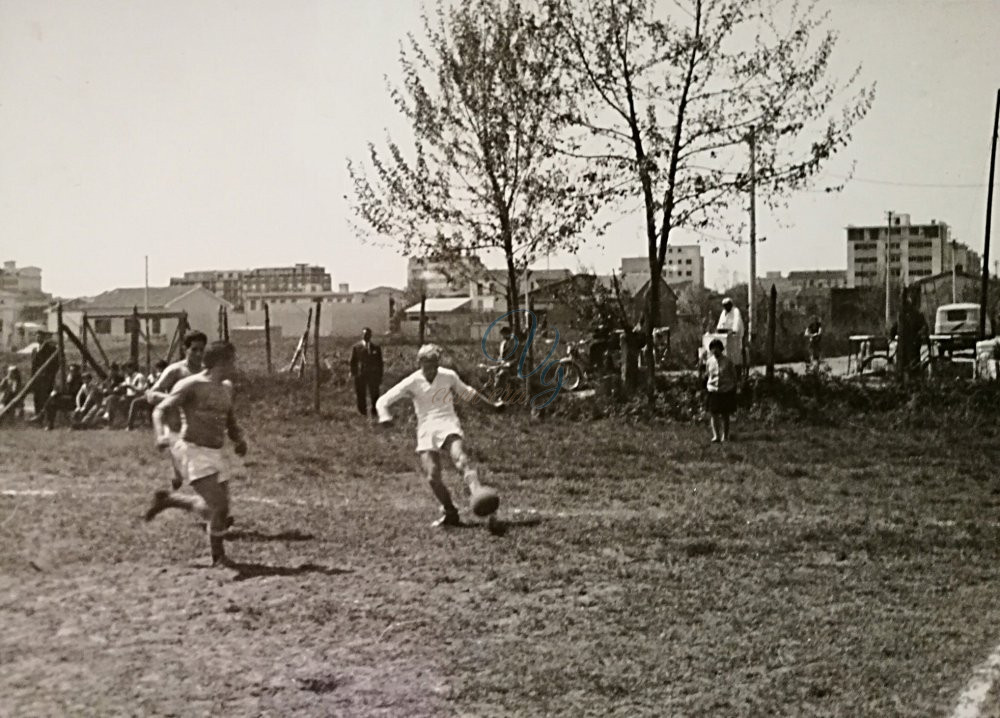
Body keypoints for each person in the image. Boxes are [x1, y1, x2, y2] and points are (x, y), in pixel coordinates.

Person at [375, 343, 503, 527]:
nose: (432, 367)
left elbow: (468, 394)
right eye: (427, 363)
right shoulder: (412, 381)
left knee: (461, 459)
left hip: (447, 422)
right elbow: (383, 400)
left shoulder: (448, 376)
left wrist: (492, 406)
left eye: (435, 362)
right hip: (426, 428)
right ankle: (450, 512)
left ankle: (477, 492)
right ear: (419, 362)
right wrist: (384, 415)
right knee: (433, 477)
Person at [144, 341, 248, 567]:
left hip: (216, 452)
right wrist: (160, 435)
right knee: (218, 506)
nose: (235, 365)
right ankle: (218, 557)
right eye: (233, 360)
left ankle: (170, 500)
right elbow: (160, 409)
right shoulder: (191, 384)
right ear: (222, 362)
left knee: (217, 508)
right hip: (193, 450)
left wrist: (238, 439)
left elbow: (229, 418)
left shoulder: (227, 387)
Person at [147, 332, 208, 489]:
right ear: (185, 349)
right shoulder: (176, 370)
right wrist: (177, 399)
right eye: (194, 349)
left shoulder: (206, 372)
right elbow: (151, 395)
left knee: (202, 474)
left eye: (201, 350)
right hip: (175, 429)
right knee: (190, 475)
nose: (198, 354)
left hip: (199, 431)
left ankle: (177, 478)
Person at [705, 338, 738, 443]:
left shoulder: (728, 361)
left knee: (725, 414)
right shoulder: (709, 362)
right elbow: (708, 375)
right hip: (713, 390)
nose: (715, 351)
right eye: (713, 348)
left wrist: (733, 387)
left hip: (725, 390)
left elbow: (733, 375)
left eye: (717, 348)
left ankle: (726, 435)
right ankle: (716, 436)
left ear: (721, 349)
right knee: (713, 414)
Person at [349, 327, 384, 418]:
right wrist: (354, 373)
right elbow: (353, 362)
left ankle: (374, 412)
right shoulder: (356, 347)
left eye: (368, 334)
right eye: (364, 334)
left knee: (374, 394)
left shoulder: (376, 348)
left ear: (370, 336)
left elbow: (380, 363)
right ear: (362, 335)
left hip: (373, 375)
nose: (366, 336)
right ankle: (362, 412)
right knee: (361, 394)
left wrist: (380, 376)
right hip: (361, 375)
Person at [127, 360, 167, 430]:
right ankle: (130, 426)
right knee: (136, 402)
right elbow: (145, 388)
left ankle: (130, 426)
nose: (157, 371)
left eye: (158, 369)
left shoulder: (165, 375)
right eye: (157, 369)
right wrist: (148, 386)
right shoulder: (153, 376)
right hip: (151, 396)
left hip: (160, 397)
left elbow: (161, 387)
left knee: (135, 402)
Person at [42, 363, 84, 430]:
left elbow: (73, 392)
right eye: (70, 370)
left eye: (73, 370)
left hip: (76, 401)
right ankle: (50, 424)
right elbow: (61, 388)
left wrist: (68, 383)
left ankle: (42, 414)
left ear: (77, 371)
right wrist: (57, 392)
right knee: (51, 403)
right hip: (69, 399)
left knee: (53, 400)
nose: (71, 372)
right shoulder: (70, 378)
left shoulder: (78, 380)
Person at [29, 331, 58, 422]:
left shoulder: (51, 349)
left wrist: (50, 374)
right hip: (36, 377)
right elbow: (33, 365)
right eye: (37, 337)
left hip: (46, 377)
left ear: (44, 338)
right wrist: (32, 377)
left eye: (40, 337)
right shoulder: (34, 350)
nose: (38, 338)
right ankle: (37, 416)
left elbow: (56, 364)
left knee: (45, 397)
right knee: (37, 397)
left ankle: (46, 417)